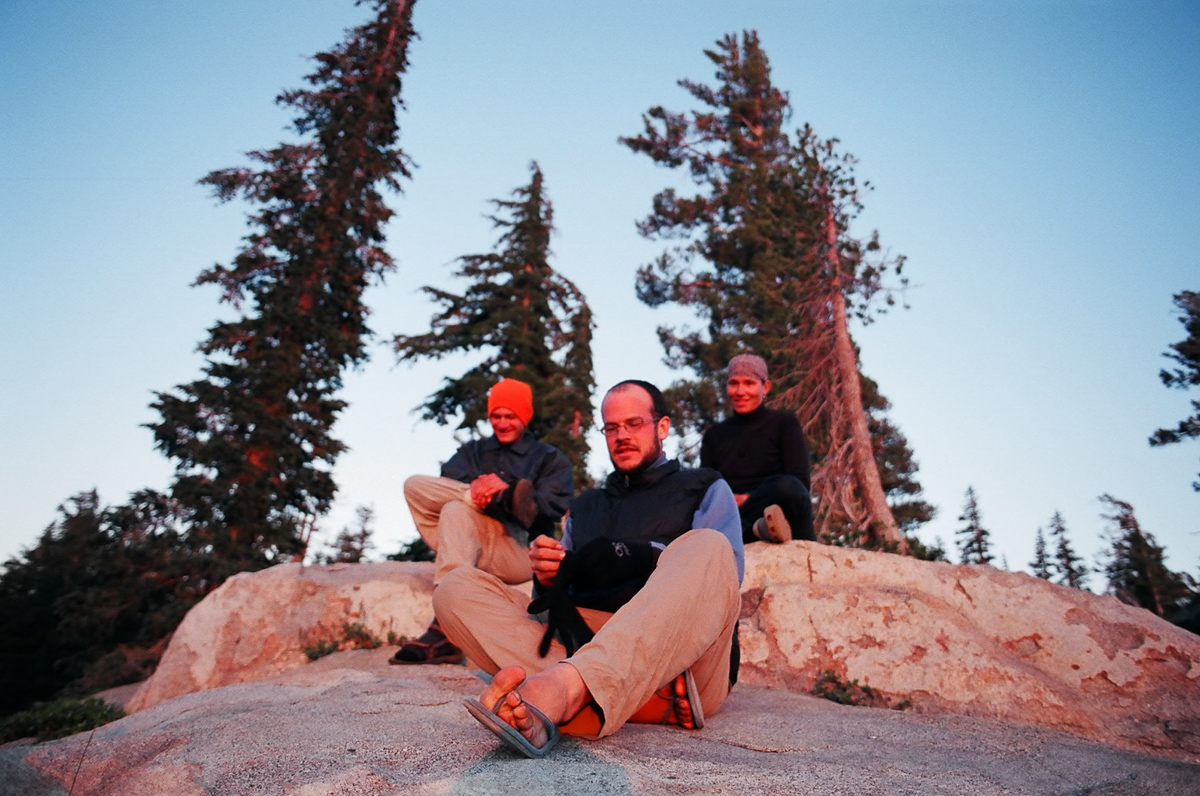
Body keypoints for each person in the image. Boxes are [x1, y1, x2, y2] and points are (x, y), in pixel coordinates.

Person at [437, 379, 744, 757]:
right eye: (612, 428)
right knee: (455, 589)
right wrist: (549, 578)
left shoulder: (705, 487)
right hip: (595, 639)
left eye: (634, 424)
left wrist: (641, 555)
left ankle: (567, 691)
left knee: (710, 546)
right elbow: (553, 610)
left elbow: (724, 580)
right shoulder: (585, 508)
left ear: (662, 427)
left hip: (687, 660)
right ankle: (631, 699)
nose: (622, 436)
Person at [393, 377, 574, 665]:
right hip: (469, 537)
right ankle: (483, 497)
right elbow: (441, 487)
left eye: (510, 416)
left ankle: (442, 626)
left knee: (456, 509)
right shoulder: (473, 452)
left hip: (521, 550)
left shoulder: (549, 458)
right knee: (420, 488)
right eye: (496, 416)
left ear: (525, 416)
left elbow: (554, 507)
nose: (501, 423)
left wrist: (506, 488)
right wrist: (480, 492)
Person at [700, 353, 816, 544]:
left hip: (775, 504)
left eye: (749, 383)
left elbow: (800, 482)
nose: (740, 391)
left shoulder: (784, 423)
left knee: (788, 487)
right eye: (733, 383)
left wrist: (749, 497)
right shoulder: (714, 435)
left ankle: (759, 527)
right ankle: (758, 529)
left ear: (766, 388)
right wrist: (731, 500)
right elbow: (708, 487)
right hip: (734, 511)